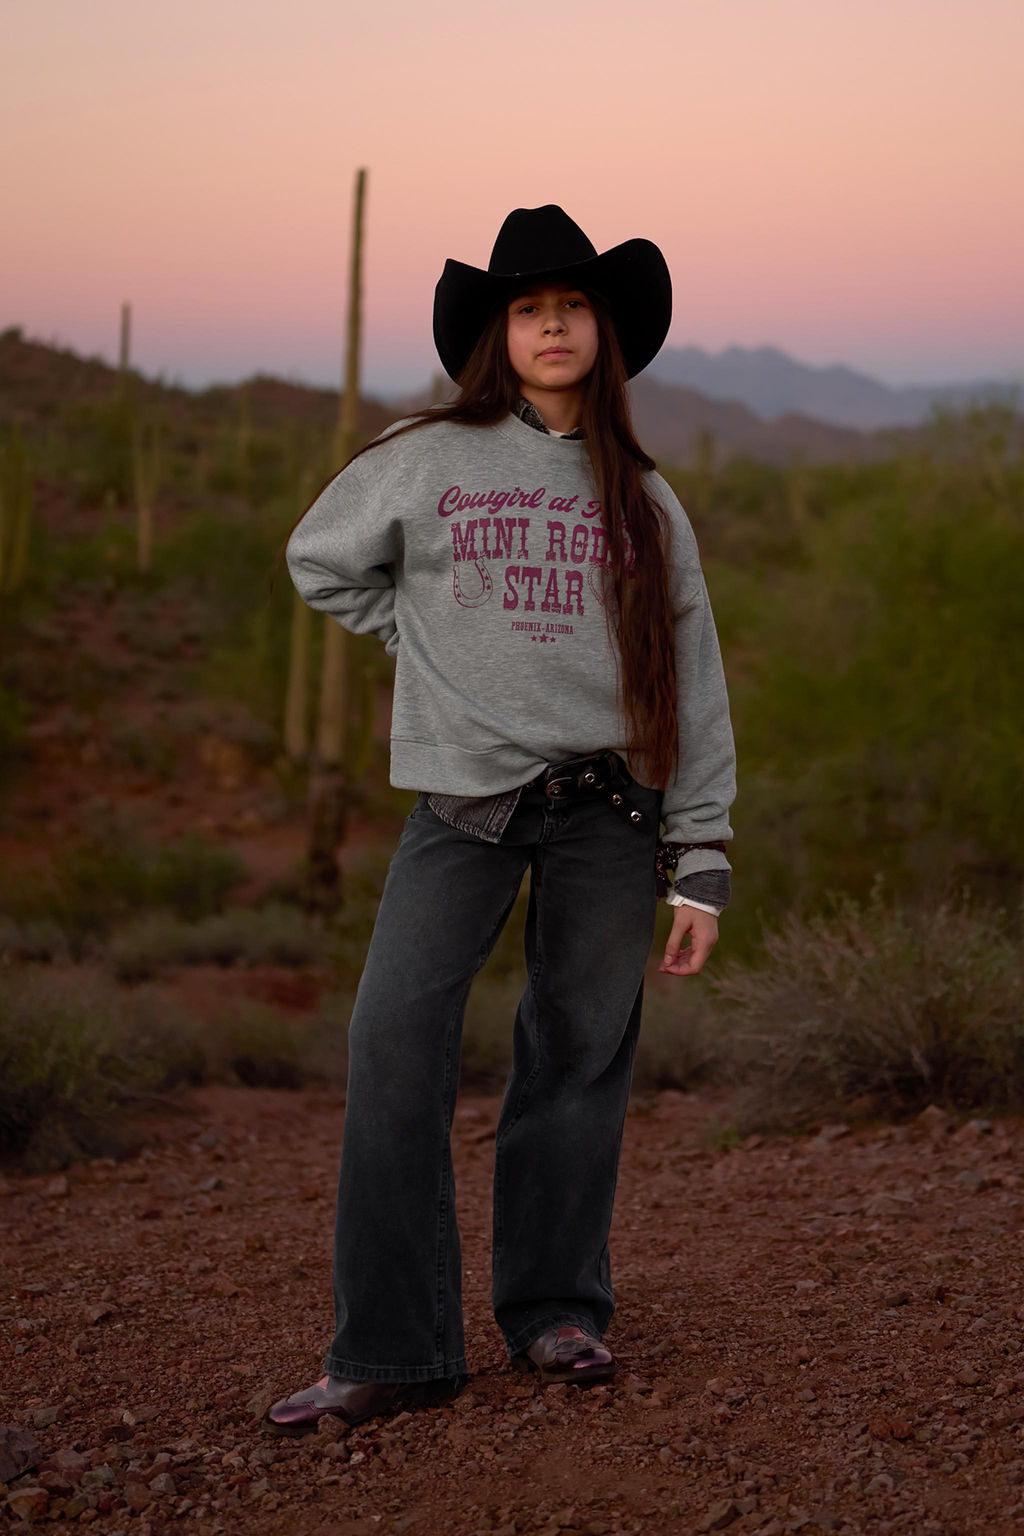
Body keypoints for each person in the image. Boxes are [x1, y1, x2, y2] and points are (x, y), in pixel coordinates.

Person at [266, 205, 735, 1434]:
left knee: (576, 1057)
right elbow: (320, 562)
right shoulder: (423, 456)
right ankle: (393, 1347)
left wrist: (701, 860)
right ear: (497, 334)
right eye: (527, 308)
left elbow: (692, 682)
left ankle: (554, 1309)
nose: (551, 325)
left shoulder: (642, 495)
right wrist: (429, 655)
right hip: (462, 803)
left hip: (609, 811)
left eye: (572, 306)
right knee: (392, 1041)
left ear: (604, 331)